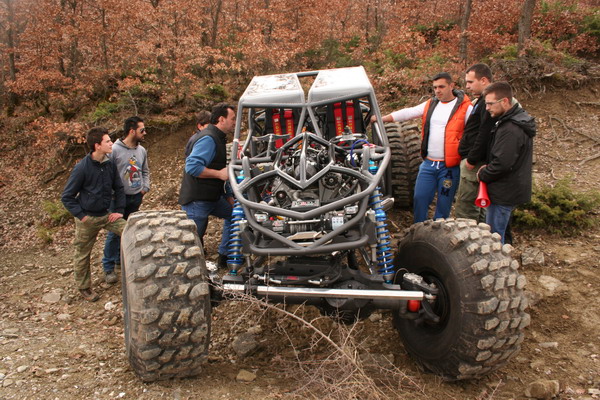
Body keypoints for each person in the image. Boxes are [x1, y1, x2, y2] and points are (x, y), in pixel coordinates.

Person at [378, 72, 472, 223]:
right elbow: (409, 112)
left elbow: (475, 132)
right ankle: (418, 228)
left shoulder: (465, 108)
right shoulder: (431, 104)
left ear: (451, 86)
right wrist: (381, 119)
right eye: (435, 87)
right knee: (420, 198)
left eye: (441, 87)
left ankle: (440, 231)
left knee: (444, 203)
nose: (437, 91)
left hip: (449, 166)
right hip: (429, 163)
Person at [61, 127, 126, 302]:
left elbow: (119, 188)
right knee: (82, 254)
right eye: (108, 141)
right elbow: (67, 197)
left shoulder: (109, 164)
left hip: (107, 215)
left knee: (131, 231)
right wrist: (82, 216)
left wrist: (119, 211)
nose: (111, 143)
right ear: (97, 145)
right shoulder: (82, 168)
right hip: (87, 218)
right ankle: (84, 288)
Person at [477, 82, 536, 243]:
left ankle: (499, 259)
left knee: (494, 238)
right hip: (508, 189)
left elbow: (502, 163)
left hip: (503, 192)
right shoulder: (513, 121)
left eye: (490, 103)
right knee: (499, 234)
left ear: (504, 101)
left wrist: (483, 174)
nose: (487, 108)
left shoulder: (510, 128)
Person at [179, 103, 235, 269]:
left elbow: (220, 168)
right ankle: (188, 272)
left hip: (213, 197)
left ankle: (224, 255)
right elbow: (192, 167)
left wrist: (229, 196)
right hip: (197, 199)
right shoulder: (208, 138)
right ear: (221, 119)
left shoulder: (218, 137)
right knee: (192, 240)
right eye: (232, 119)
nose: (235, 122)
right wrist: (218, 174)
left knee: (235, 215)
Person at [101, 116, 150, 283]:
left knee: (129, 230)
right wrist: (112, 194)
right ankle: (108, 267)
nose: (145, 133)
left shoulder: (141, 150)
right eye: (142, 130)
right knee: (114, 232)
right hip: (117, 199)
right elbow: (106, 174)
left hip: (136, 196)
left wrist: (144, 188)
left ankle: (120, 261)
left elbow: (145, 170)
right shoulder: (114, 150)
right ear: (132, 131)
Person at [455, 63, 494, 222]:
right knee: (479, 205)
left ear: (483, 80)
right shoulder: (480, 101)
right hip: (476, 160)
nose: (467, 86)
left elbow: (484, 133)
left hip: (475, 163)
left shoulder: (487, 102)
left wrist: (472, 159)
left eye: (470, 82)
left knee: (466, 207)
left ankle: (467, 234)